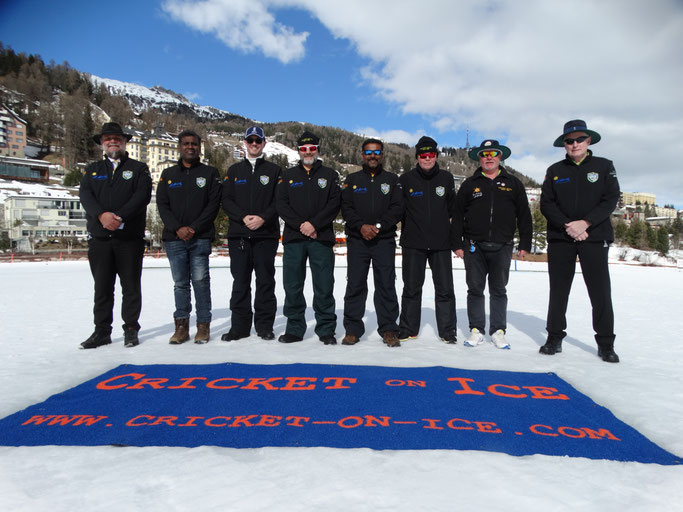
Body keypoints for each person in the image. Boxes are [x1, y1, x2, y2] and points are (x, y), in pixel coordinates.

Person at [540, 120, 620, 363]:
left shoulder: (604, 166)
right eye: (569, 141)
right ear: (564, 144)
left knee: (600, 292)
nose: (574, 144)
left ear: (588, 141)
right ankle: (554, 337)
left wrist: (585, 223)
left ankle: (605, 343)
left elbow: (610, 199)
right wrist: (569, 225)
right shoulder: (555, 170)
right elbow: (546, 204)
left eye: (579, 140)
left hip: (593, 236)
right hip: (561, 238)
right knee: (558, 291)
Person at [79, 122, 152, 349]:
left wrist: (118, 217)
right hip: (100, 240)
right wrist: (101, 216)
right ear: (102, 143)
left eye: (117, 138)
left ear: (124, 141)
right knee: (102, 288)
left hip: (128, 239)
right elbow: (86, 196)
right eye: (108, 138)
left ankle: (130, 329)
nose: (112, 141)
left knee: (131, 287)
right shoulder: (92, 170)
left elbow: (142, 197)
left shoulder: (139, 169)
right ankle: (102, 331)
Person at [453, 139, 532, 349]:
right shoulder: (470, 184)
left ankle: (498, 330)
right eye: (484, 154)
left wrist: (525, 243)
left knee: (498, 290)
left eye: (493, 154)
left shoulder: (513, 183)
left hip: (503, 245)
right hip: (473, 247)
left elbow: (524, 215)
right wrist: (457, 243)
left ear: (500, 157)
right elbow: (458, 215)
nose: (489, 158)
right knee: (475, 289)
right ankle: (476, 329)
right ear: (479, 158)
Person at [276, 131, 341, 345]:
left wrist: (314, 224)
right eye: (304, 149)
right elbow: (281, 204)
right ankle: (295, 328)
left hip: (321, 238)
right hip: (294, 238)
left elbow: (334, 204)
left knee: (323, 285)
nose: (308, 152)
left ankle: (326, 329)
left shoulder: (330, 175)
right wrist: (301, 225)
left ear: (317, 149)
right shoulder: (288, 175)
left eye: (312, 148)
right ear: (298, 151)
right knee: (292, 285)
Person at [156, 130, 221, 344]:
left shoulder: (210, 173)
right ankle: (182, 326)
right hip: (174, 239)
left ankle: (203, 325)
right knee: (180, 283)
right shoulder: (168, 175)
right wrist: (177, 228)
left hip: (200, 237)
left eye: (194, 143)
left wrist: (193, 228)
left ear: (199, 147)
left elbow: (213, 205)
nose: (190, 147)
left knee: (201, 281)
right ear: (179, 147)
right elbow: (162, 206)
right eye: (186, 143)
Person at [340, 138, 403, 347]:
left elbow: (397, 208)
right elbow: (346, 208)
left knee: (386, 284)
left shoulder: (392, 180)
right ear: (362, 155)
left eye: (376, 152)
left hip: (383, 240)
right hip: (358, 240)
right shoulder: (352, 179)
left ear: (383, 155)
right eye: (368, 152)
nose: (372, 156)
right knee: (355, 284)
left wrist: (378, 226)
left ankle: (389, 330)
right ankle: (352, 330)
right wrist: (361, 226)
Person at [221, 126, 281, 341]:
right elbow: (226, 199)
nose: (254, 144)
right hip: (239, 235)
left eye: (258, 140)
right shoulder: (234, 171)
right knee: (240, 282)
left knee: (265, 282)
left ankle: (264, 326)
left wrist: (263, 218)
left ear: (264, 143)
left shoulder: (274, 171)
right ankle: (239, 327)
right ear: (244, 143)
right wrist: (243, 217)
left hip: (266, 235)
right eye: (250, 140)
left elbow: (279, 200)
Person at [398, 136, 458, 343]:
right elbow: (398, 211)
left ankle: (448, 331)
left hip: (441, 243)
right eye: (423, 155)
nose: (427, 158)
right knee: (412, 288)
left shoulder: (447, 178)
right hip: (413, 243)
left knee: (445, 289)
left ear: (436, 156)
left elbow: (453, 209)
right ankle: (408, 328)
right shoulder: (405, 180)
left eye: (431, 154)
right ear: (417, 157)